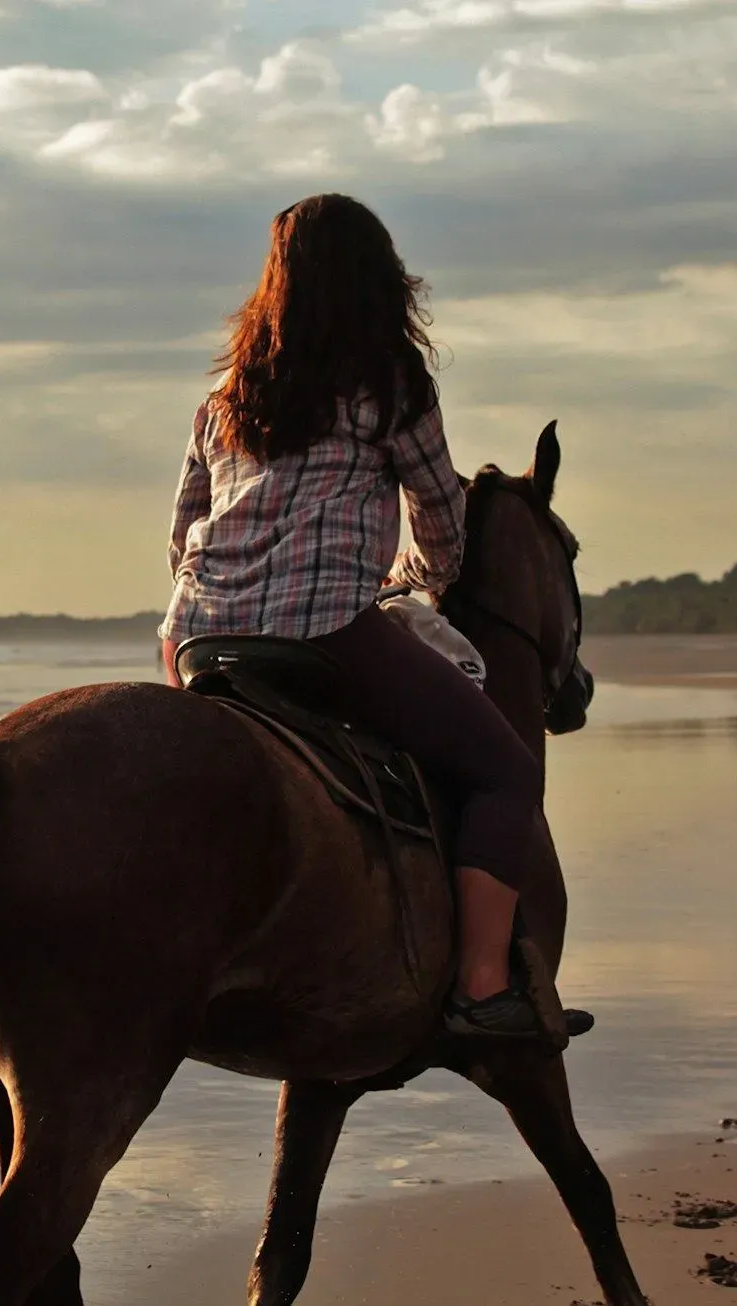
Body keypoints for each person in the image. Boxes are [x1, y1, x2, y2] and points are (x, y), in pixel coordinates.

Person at [158, 193, 564, 1041]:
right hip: (324, 633)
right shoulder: (393, 387)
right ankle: (483, 988)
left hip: (197, 638)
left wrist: (214, 603)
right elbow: (444, 528)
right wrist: (418, 578)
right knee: (505, 772)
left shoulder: (226, 398)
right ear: (383, 282)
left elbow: (183, 529)